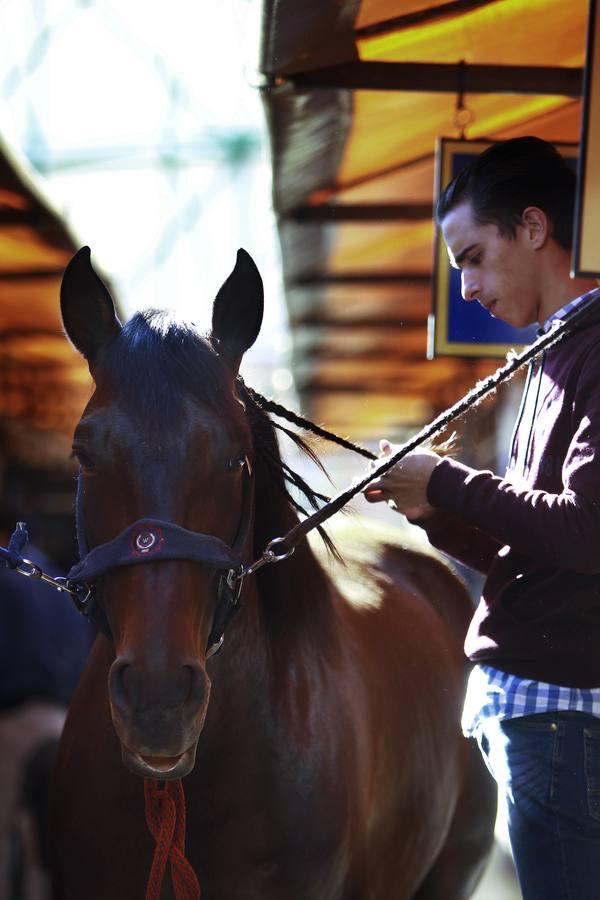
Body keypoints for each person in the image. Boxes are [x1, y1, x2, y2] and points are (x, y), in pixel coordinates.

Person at [364, 136, 600, 899]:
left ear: (533, 228)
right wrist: (432, 506)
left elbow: (588, 531)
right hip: (545, 715)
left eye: (471, 256)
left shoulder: (592, 350)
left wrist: (451, 481)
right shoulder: (558, 351)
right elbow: (538, 546)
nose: (464, 287)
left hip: (563, 720)